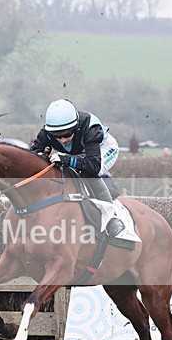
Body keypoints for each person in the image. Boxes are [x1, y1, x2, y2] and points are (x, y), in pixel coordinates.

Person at [30, 99, 124, 237]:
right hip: (79, 153)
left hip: (103, 149)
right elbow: (32, 156)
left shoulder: (90, 128)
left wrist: (66, 159)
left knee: (88, 173)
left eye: (67, 134)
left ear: (75, 127)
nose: (63, 140)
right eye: (57, 136)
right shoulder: (46, 132)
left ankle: (112, 218)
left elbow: (93, 166)